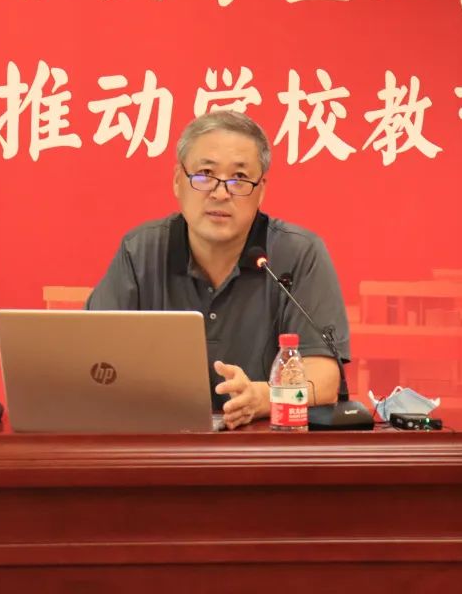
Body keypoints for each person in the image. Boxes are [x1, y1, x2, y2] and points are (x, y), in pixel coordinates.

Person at [86, 110, 350, 430]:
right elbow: (92, 360)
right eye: (205, 174)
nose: (221, 193)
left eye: (239, 178)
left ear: (261, 189)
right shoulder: (140, 251)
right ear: (178, 180)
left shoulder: (298, 254)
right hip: (161, 443)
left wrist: (263, 397)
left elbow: (324, 380)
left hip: (263, 450)